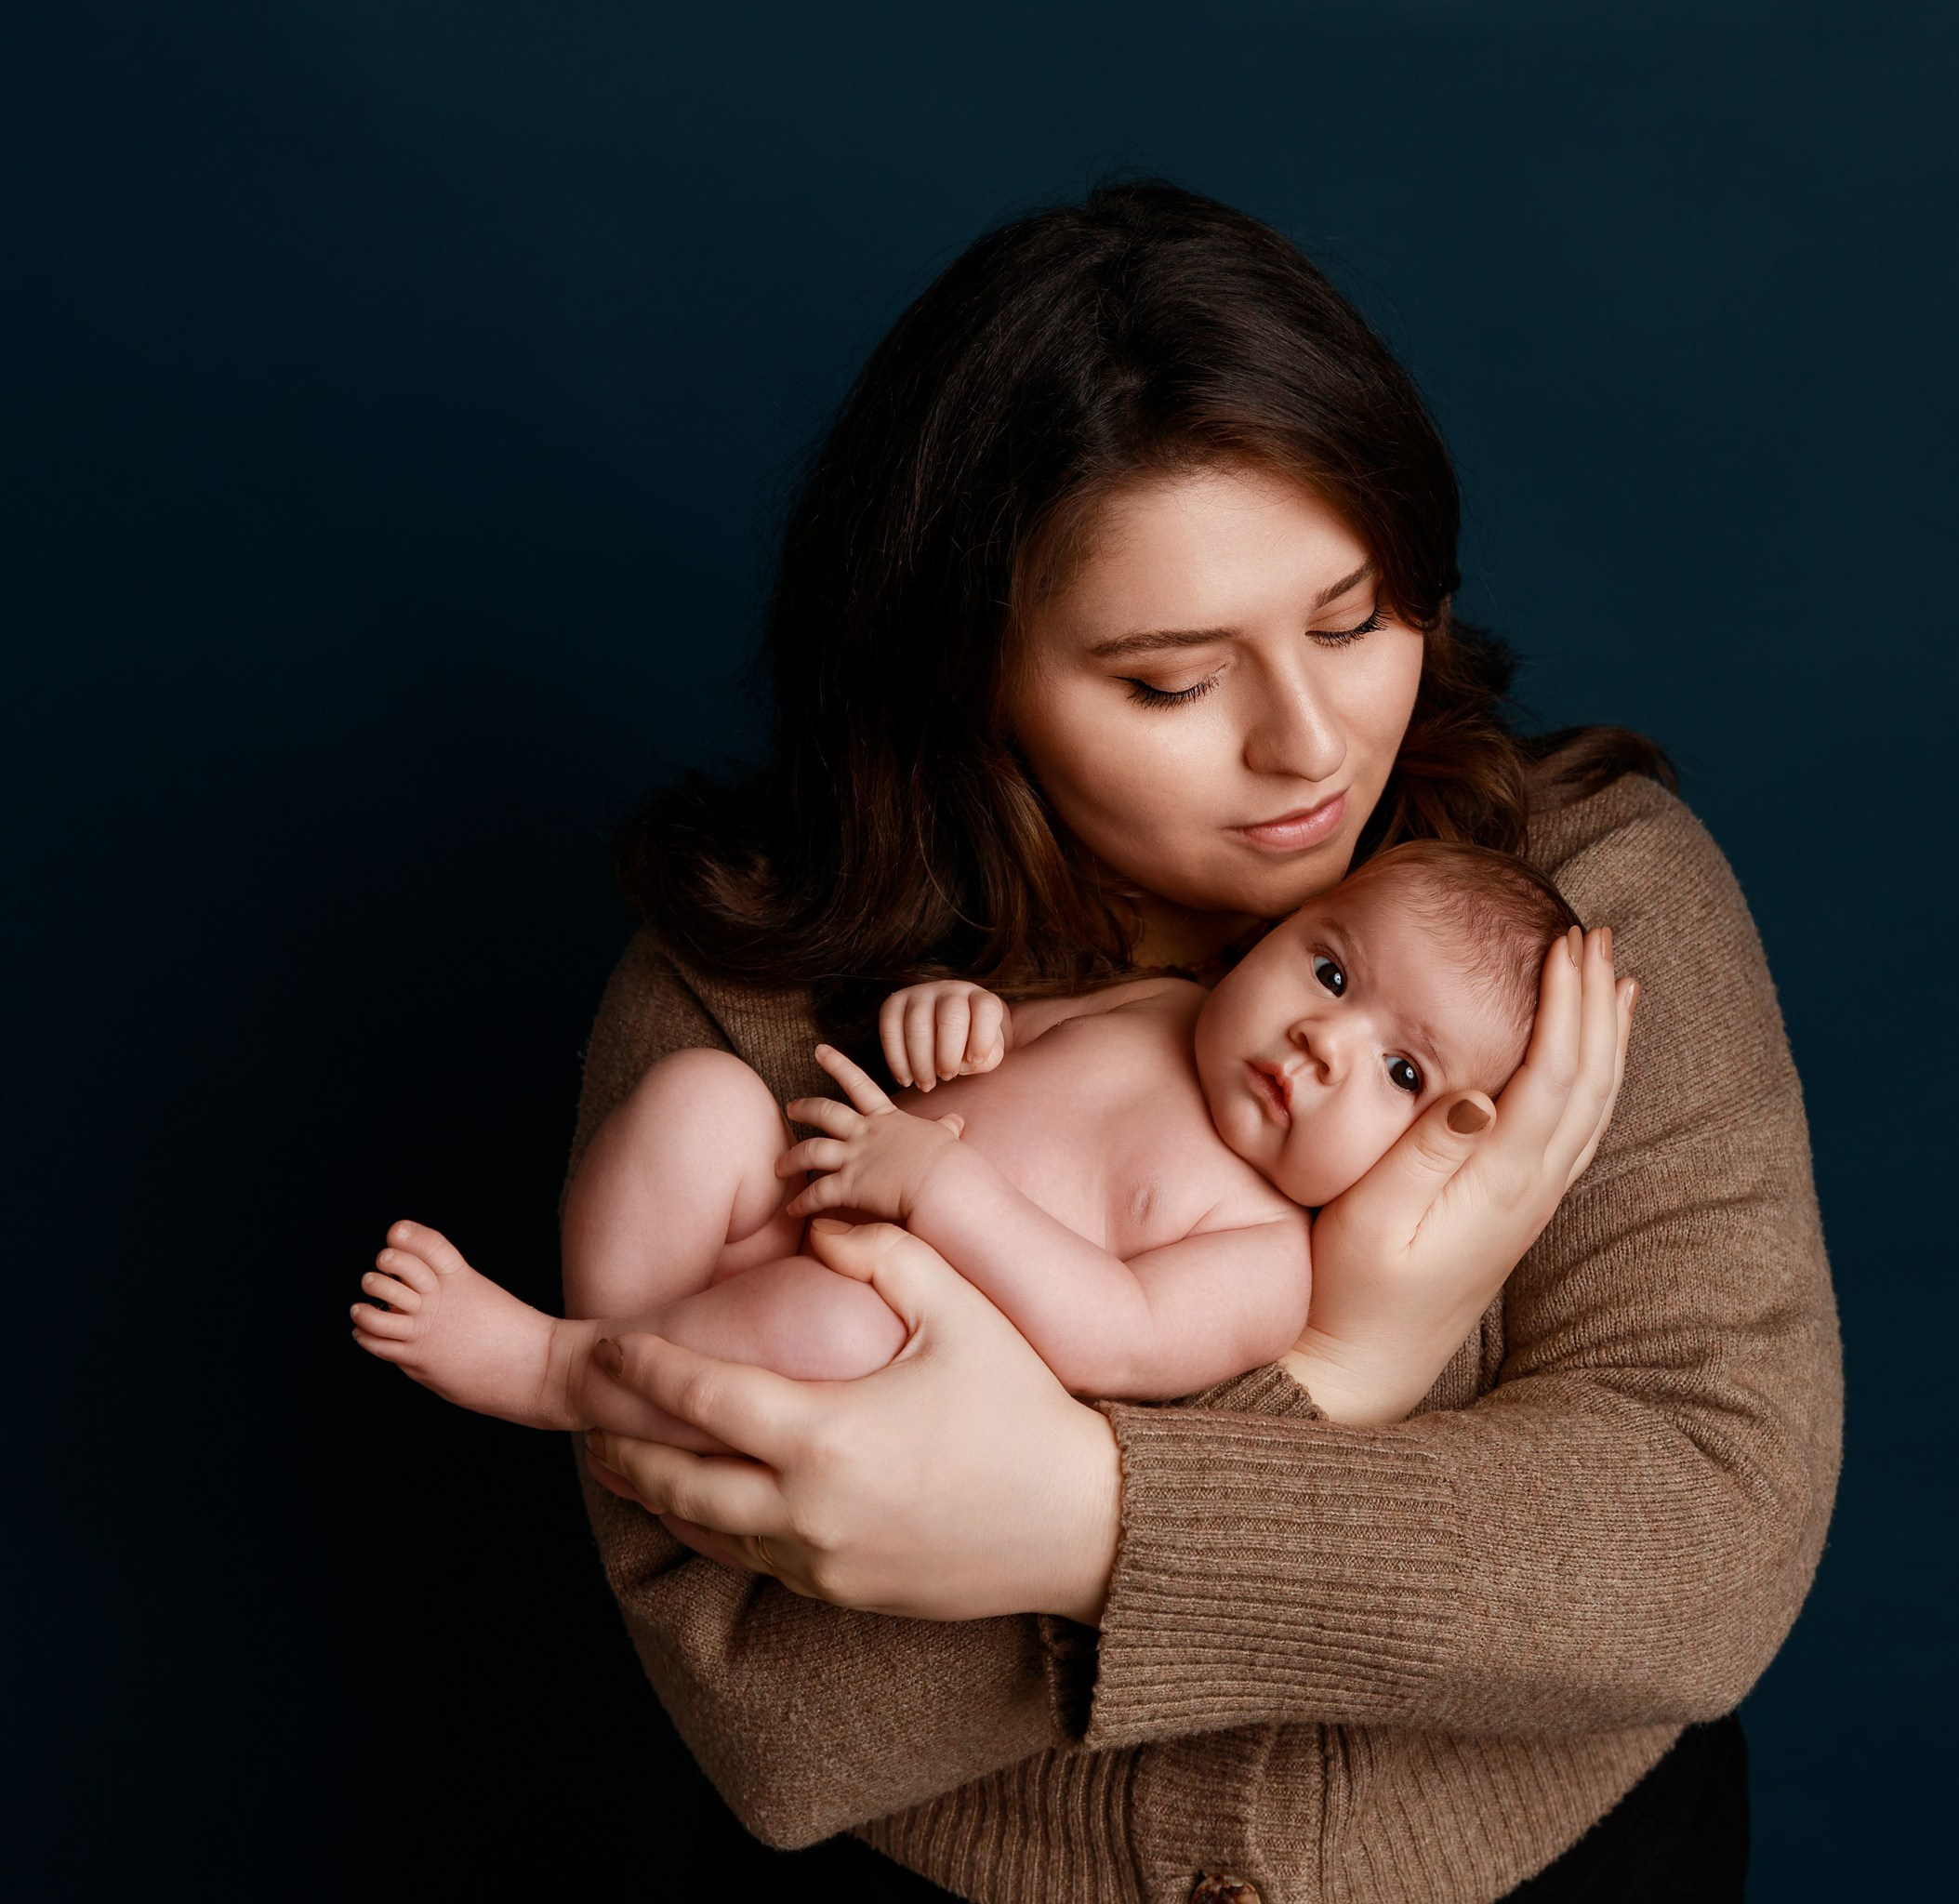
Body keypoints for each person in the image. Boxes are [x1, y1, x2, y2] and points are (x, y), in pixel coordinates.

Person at [556, 182, 1840, 1902]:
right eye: (1170, 684)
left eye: (1355, 619)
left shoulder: (1589, 913)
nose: (1311, 743)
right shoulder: (752, 1002)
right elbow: (774, 1720)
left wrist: (1084, 1518)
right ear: (963, 672)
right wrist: (1341, 1376)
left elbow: (1704, 1545)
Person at [352, 843, 1621, 1436]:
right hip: (776, 1218)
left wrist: (946, 1190)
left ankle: (565, 1376)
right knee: (699, 1097)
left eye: (1402, 1072)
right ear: (1277, 933)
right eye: (1331, 972)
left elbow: (1114, 1332)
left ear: (1437, 1150)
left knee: (844, 1333)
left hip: (858, 1331)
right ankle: (631, 1353)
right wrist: (947, 1018)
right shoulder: (1161, 1003)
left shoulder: (1265, 1255)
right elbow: (1001, 1042)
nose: (1320, 1046)